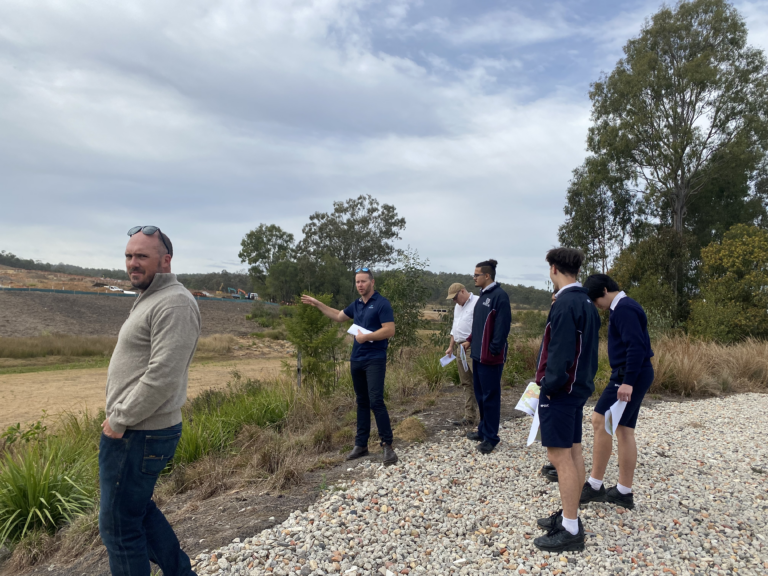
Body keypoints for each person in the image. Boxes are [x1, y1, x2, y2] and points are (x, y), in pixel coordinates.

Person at [100, 226, 199, 576]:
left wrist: (120, 418)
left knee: (119, 528)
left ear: (165, 260)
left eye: (142, 256)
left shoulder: (174, 302)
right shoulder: (153, 296)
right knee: (136, 511)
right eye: (129, 256)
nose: (132, 264)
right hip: (137, 430)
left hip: (139, 432)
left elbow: (162, 375)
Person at [533, 248, 600, 553]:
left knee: (559, 457)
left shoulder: (565, 304)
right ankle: (570, 515)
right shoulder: (587, 301)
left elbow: (559, 352)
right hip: (580, 387)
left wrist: (547, 385)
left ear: (554, 269)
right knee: (573, 452)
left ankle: (571, 528)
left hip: (561, 390)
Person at [301, 268, 398, 466]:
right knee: (361, 402)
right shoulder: (356, 305)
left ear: (372, 282)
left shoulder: (381, 303)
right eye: (357, 282)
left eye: (363, 281)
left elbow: (390, 330)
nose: (360, 285)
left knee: (376, 401)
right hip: (357, 359)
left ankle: (387, 446)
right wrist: (318, 304)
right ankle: (361, 445)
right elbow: (338, 316)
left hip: (375, 358)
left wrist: (366, 336)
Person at [579, 274, 654, 510]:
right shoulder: (622, 307)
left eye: (594, 300)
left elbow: (636, 345)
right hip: (633, 373)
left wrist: (628, 381)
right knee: (624, 429)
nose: (595, 305)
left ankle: (594, 485)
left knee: (599, 420)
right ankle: (623, 491)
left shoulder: (624, 308)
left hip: (628, 374)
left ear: (603, 290)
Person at [462, 259, 511, 455]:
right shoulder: (482, 297)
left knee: (491, 397)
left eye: (476, 275)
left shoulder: (500, 296)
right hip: (477, 355)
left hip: (490, 358)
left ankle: (491, 437)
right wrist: (470, 340)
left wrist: (493, 349)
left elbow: (502, 327)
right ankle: (483, 430)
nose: (474, 278)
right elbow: (478, 325)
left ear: (487, 276)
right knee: (481, 396)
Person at [445, 283, 479, 426]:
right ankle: (469, 416)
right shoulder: (457, 307)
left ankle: (485, 418)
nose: (454, 301)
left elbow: (481, 326)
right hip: (460, 348)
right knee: (466, 382)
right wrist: (451, 346)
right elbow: (455, 328)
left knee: (479, 382)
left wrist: (470, 342)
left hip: (472, 346)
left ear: (463, 291)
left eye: (455, 297)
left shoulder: (477, 302)